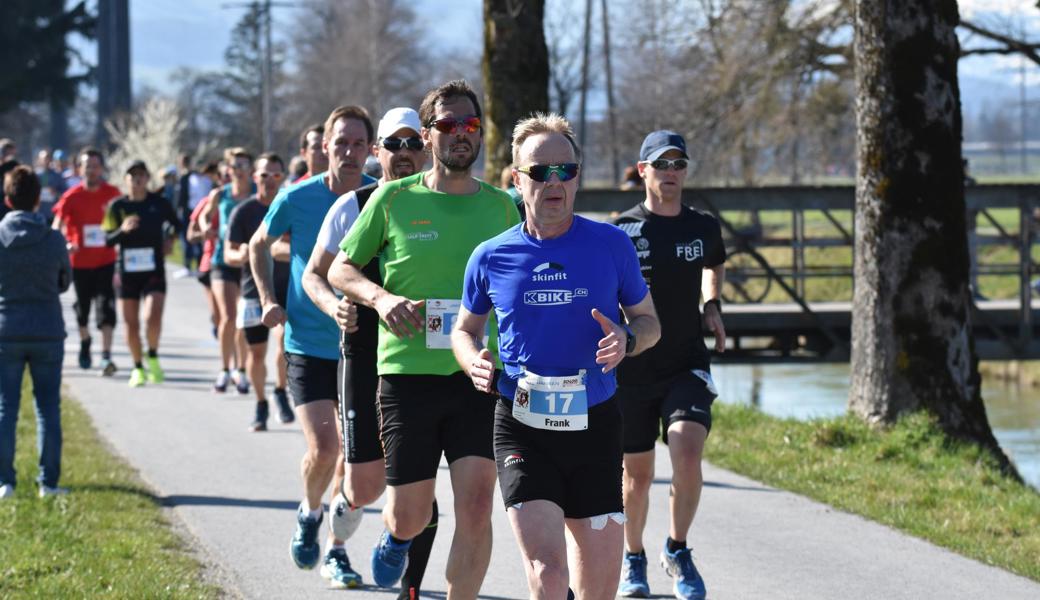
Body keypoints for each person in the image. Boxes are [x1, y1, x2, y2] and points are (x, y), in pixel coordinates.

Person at [450, 113, 660, 599]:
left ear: (578, 177)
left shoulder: (612, 245)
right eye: (540, 172)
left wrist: (627, 340)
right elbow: (465, 330)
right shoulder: (490, 256)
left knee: (599, 589)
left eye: (564, 170)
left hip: (596, 424)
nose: (554, 182)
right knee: (548, 576)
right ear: (517, 180)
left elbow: (650, 323)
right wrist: (472, 359)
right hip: (522, 423)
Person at [328, 80, 520, 595]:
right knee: (410, 517)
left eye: (471, 125)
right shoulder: (391, 199)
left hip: (477, 373)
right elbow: (342, 270)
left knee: (478, 505)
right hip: (407, 376)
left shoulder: (503, 207)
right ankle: (396, 537)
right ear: (427, 134)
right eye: (449, 125)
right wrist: (382, 299)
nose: (462, 134)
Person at [306, 107, 438, 600]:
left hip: (424, 357)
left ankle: (404, 554)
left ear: (424, 148)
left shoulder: (443, 202)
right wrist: (334, 308)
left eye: (412, 144)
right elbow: (314, 275)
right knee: (364, 486)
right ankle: (336, 540)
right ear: (376, 151)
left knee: (417, 481)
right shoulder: (352, 204)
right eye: (393, 144)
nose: (403, 154)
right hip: (364, 352)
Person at [248, 105, 376, 588]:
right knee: (324, 450)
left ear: (370, 150)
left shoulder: (379, 198)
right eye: (339, 143)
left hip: (362, 348)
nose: (347, 152)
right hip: (307, 342)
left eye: (357, 144)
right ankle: (309, 510)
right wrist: (267, 298)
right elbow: (260, 243)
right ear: (324, 147)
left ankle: (337, 550)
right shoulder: (297, 197)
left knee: (355, 459)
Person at [612, 130, 726, 600]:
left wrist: (713, 304)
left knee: (686, 449)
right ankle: (633, 557)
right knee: (637, 478)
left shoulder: (702, 226)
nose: (671, 173)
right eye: (662, 165)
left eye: (679, 164)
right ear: (643, 171)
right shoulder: (621, 230)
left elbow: (713, 265)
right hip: (634, 369)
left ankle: (677, 549)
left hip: (686, 362)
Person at [0, 166, 72, 499]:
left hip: (7, 327)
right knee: (47, 409)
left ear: (7, 199)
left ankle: (5, 481)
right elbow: (64, 282)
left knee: (6, 409)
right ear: (36, 200)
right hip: (46, 328)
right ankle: (49, 482)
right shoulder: (54, 238)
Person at [223, 153, 294, 431]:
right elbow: (227, 254)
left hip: (287, 288)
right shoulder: (243, 211)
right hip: (254, 290)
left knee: (284, 343)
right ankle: (261, 402)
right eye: (264, 175)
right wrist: (243, 254)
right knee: (255, 353)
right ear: (256, 178)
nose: (270, 181)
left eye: (276, 175)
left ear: (282, 177)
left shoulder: (289, 206)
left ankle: (279, 390)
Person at [102, 161, 182, 388]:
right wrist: (122, 230)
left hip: (153, 269)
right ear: (125, 179)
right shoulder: (116, 207)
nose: (137, 180)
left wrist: (170, 240)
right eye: (132, 176)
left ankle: (153, 355)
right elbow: (107, 240)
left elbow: (177, 224)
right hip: (126, 272)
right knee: (131, 324)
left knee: (152, 317)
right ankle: (137, 367)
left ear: (148, 178)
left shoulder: (159, 203)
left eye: (141, 175)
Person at [51, 148, 121, 375]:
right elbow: (56, 225)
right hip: (80, 262)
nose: (91, 170)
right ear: (79, 169)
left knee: (106, 308)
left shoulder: (112, 194)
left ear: (102, 168)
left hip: (106, 259)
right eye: (86, 166)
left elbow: (125, 222)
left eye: (95, 165)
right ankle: (85, 341)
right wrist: (64, 244)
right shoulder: (71, 196)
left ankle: (106, 356)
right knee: (83, 310)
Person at [202, 148, 255, 393]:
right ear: (228, 170)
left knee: (243, 320)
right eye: (235, 166)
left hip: (249, 261)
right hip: (222, 260)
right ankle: (224, 370)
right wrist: (206, 229)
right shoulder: (220, 194)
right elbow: (204, 217)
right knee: (228, 317)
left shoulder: (257, 193)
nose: (239, 171)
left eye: (244, 166)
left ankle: (241, 370)